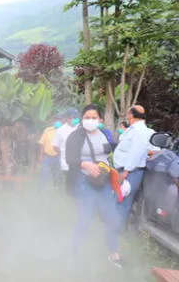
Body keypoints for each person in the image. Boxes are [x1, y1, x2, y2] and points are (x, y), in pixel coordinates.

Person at [65, 104, 122, 268]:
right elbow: (69, 158)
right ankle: (74, 254)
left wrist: (114, 173)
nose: (90, 120)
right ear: (82, 119)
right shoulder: (76, 136)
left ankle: (113, 254)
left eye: (94, 117)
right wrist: (84, 164)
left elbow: (109, 153)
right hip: (84, 182)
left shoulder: (105, 134)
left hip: (104, 182)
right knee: (85, 218)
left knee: (112, 217)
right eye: (87, 117)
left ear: (100, 120)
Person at [113, 105, 156, 229]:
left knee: (123, 201)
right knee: (119, 199)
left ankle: (117, 232)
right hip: (126, 170)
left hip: (130, 171)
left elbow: (136, 152)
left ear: (131, 115)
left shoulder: (139, 130)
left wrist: (126, 171)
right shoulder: (134, 129)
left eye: (128, 113)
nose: (127, 115)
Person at [52, 110, 76, 184]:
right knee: (68, 182)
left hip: (80, 162)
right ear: (68, 119)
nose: (76, 119)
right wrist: (63, 153)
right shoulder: (60, 130)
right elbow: (55, 145)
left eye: (77, 117)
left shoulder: (80, 129)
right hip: (66, 163)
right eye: (73, 117)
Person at [38, 118, 60, 186]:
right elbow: (42, 143)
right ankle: (42, 189)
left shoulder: (63, 131)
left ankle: (57, 188)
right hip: (47, 156)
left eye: (59, 120)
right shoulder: (48, 130)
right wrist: (40, 155)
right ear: (53, 121)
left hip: (58, 156)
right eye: (56, 120)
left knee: (57, 173)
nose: (57, 122)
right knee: (44, 172)